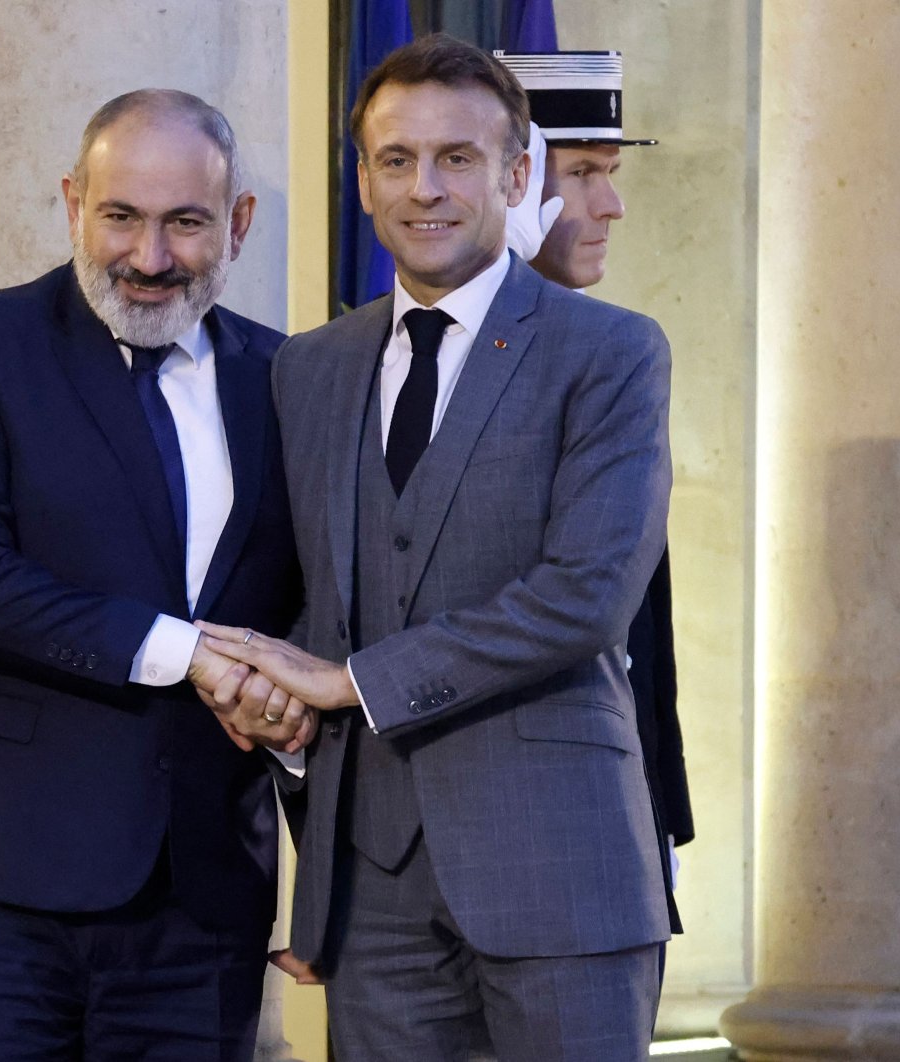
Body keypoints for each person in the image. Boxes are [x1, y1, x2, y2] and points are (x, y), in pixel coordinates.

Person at [198, 34, 674, 1059]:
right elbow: (297, 597)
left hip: (559, 871)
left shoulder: (610, 353)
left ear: (514, 175)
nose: (426, 188)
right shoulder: (307, 370)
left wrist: (350, 682)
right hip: (371, 898)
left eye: (457, 158)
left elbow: (583, 595)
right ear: (363, 181)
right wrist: (272, 707)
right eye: (396, 160)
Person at [0, 89, 308, 1061]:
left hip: (204, 899)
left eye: (185, 223)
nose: (148, 259)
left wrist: (310, 778)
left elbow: (311, 625)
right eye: (121, 217)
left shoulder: (290, 382)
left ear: (238, 224)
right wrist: (189, 654)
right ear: (73, 205)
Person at [500, 49, 696, 884]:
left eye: (609, 172)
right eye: (580, 172)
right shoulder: (398, 362)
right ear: (512, 183)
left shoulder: (616, 354)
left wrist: (660, 811)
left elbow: (639, 617)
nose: (612, 205)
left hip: (611, 809)